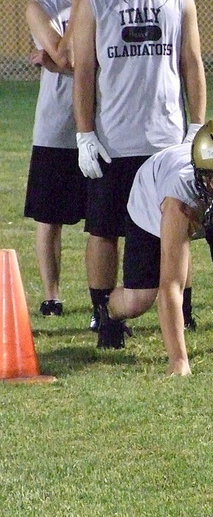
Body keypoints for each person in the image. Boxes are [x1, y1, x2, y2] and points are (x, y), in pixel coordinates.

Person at [96, 110, 213, 376]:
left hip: (209, 200)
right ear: (202, 177)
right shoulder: (179, 199)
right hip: (152, 198)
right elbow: (171, 285)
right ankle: (109, 312)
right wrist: (179, 361)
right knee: (139, 300)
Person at [71, 0, 206, 333]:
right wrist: (85, 132)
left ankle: (183, 312)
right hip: (114, 141)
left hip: (167, 141)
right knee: (103, 230)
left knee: (178, 228)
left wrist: (196, 126)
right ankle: (104, 314)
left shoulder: (179, 2)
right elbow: (85, 68)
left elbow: (192, 62)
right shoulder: (94, 4)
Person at [23, 0, 86, 317]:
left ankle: (102, 298)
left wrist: (55, 64)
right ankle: (52, 297)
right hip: (57, 126)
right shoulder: (40, 7)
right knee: (49, 217)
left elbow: (104, 61)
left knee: (104, 223)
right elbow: (70, 56)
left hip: (105, 122)